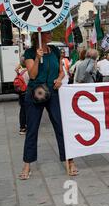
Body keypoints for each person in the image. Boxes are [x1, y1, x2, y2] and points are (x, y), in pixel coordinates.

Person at [19, 31, 77, 180]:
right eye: (48, 33)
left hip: (53, 91)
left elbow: (61, 72)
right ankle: (27, 164)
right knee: (32, 129)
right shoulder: (30, 52)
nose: (51, 34)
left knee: (60, 126)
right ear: (39, 35)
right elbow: (32, 75)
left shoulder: (55, 50)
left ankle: (69, 160)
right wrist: (37, 58)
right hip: (35, 93)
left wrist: (59, 79)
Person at [15, 58, 29, 135]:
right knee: (27, 110)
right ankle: (26, 126)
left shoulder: (19, 71)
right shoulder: (28, 72)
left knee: (22, 110)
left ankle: (22, 127)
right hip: (26, 93)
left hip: (21, 93)